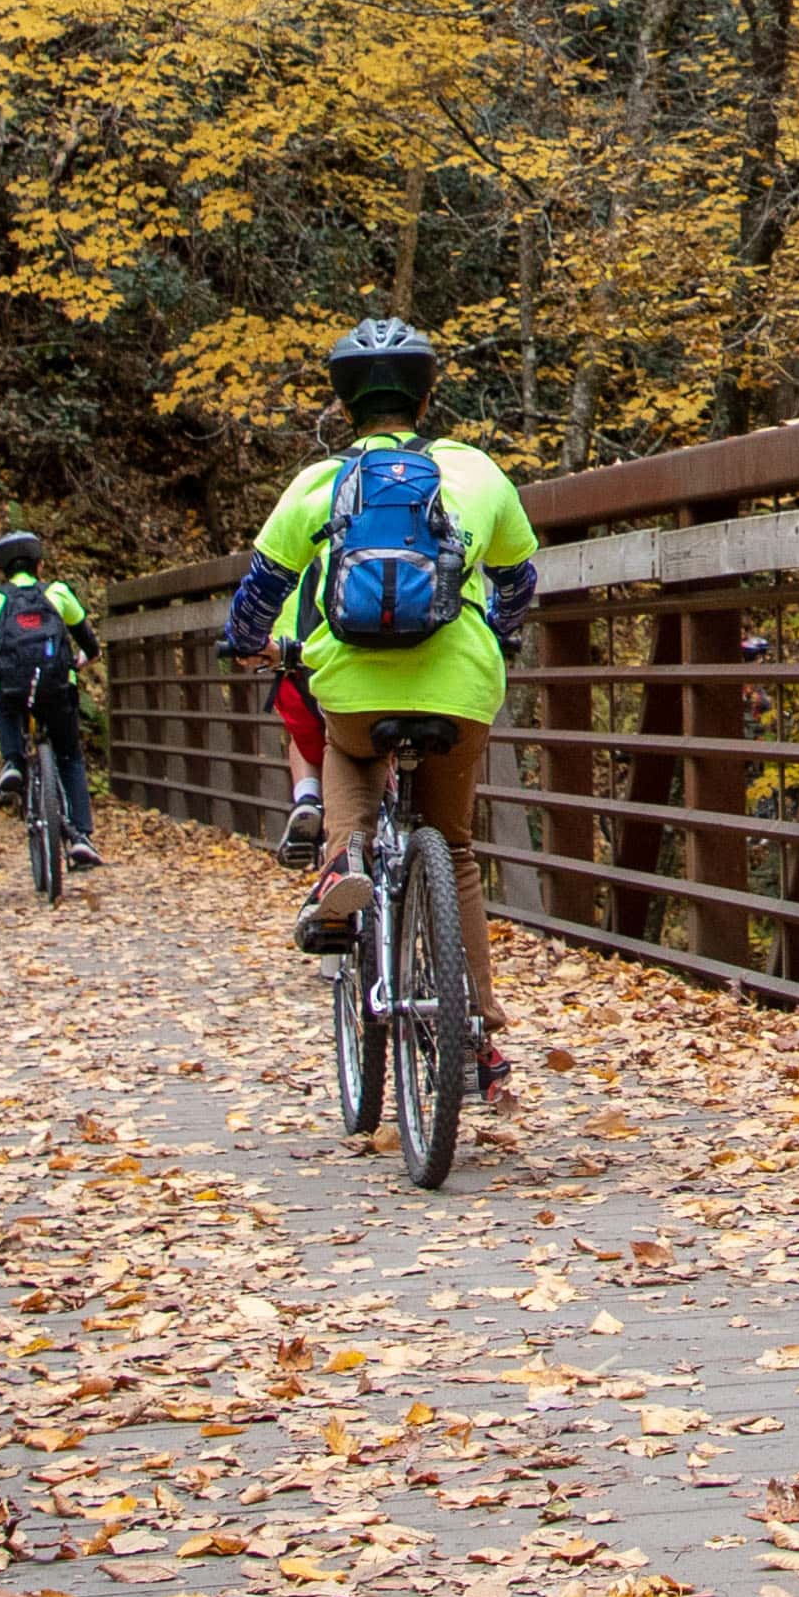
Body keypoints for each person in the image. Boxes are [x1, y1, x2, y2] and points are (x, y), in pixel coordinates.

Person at [219, 318, 539, 1098]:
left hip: (355, 687)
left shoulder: (318, 483)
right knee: (453, 847)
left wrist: (250, 645)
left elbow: (258, 594)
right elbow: (519, 582)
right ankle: (475, 1031)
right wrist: (494, 638)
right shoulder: (474, 471)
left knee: (347, 747)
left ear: (344, 403)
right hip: (458, 688)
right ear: (428, 395)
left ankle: (343, 863)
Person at [0, 528, 100, 867]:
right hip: (59, 685)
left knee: (5, 705)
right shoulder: (58, 592)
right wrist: (85, 658)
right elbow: (88, 642)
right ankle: (81, 835)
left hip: (13, 686)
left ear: (1, 571)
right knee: (70, 756)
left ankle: (14, 760)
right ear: (41, 566)